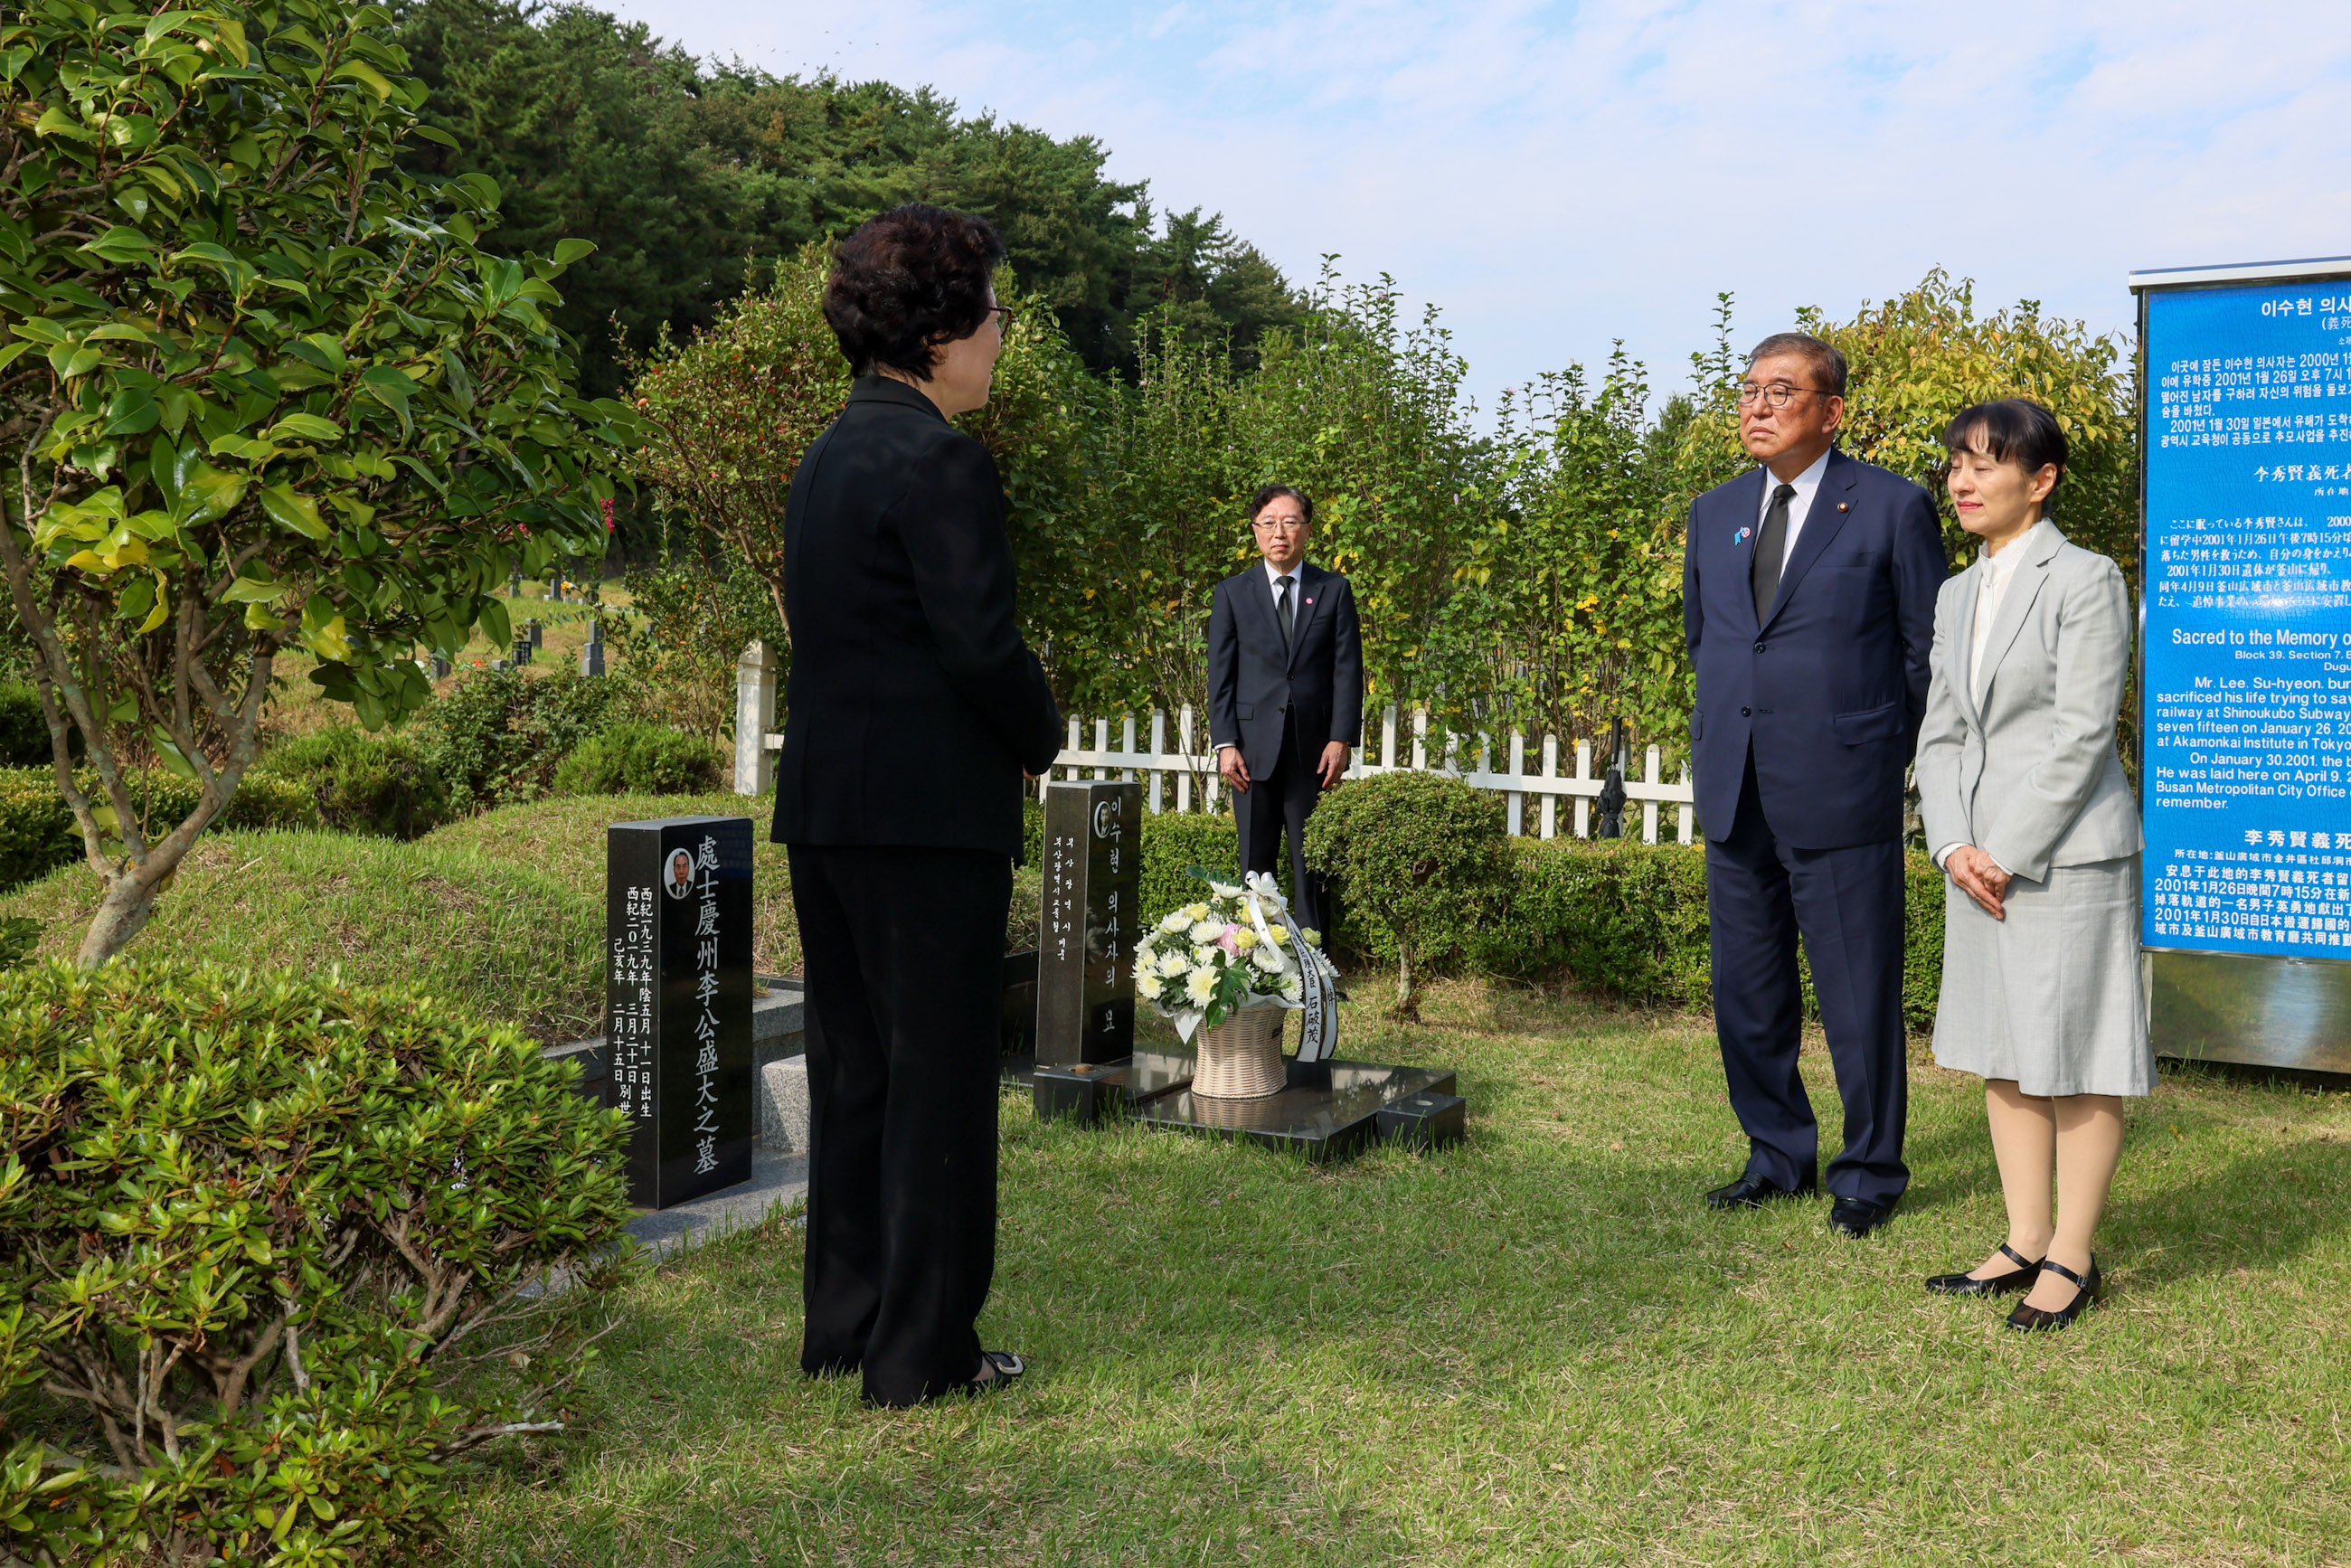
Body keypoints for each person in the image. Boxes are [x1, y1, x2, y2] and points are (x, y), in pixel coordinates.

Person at [771, 203, 1062, 1404]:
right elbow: (979, 645)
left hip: (829, 807)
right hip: (929, 819)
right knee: (937, 1084)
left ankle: (846, 1319)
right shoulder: (942, 458)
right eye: (993, 314)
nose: (1001, 333)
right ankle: (922, 1354)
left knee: (857, 1074)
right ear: (940, 331)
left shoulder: (829, 451)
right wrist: (1041, 732)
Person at [1682, 333, 1946, 1237]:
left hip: (1840, 790)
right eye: (1748, 390)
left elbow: (1924, 656)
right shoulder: (1713, 512)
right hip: (1735, 790)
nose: (1756, 407)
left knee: (1856, 997)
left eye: (1779, 392)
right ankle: (1774, 1155)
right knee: (1747, 992)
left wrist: (1877, 753)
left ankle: (1868, 1175)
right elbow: (1709, 645)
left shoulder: (1887, 507)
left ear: (1829, 411)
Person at [1914, 399, 2148, 1331]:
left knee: (2077, 1056)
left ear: (2039, 480)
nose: (1961, 481)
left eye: (1983, 464)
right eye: (1955, 466)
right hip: (1974, 859)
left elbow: (2083, 734)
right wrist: (1951, 844)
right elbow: (1938, 733)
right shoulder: (1954, 592)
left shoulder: (2085, 580)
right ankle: (2021, 1238)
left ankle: (2073, 1256)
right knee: (2001, 1048)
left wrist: (2002, 851)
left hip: (2063, 857)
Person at [1206, 485, 1364, 940]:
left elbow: (1347, 670)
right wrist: (1225, 742)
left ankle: (1318, 965)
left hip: (1313, 749)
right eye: (1269, 523)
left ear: (1307, 531)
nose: (1280, 532)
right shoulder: (1233, 594)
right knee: (1255, 862)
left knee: (1311, 862)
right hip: (1251, 752)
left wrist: (1341, 738)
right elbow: (1222, 675)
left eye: (1290, 522)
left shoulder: (1332, 590)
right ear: (1255, 532)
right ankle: (1257, 959)